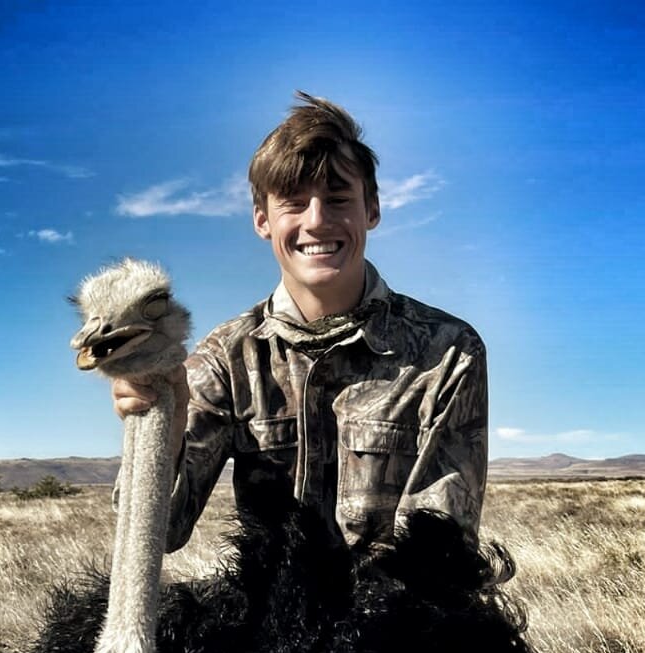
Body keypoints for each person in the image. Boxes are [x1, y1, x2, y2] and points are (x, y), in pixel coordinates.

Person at [113, 92, 488, 550]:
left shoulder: (446, 351)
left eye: (337, 199)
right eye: (293, 202)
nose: (316, 221)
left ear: (371, 210)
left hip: (398, 614)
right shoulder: (227, 357)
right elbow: (159, 533)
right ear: (262, 220)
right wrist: (160, 426)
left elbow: (438, 545)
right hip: (269, 611)